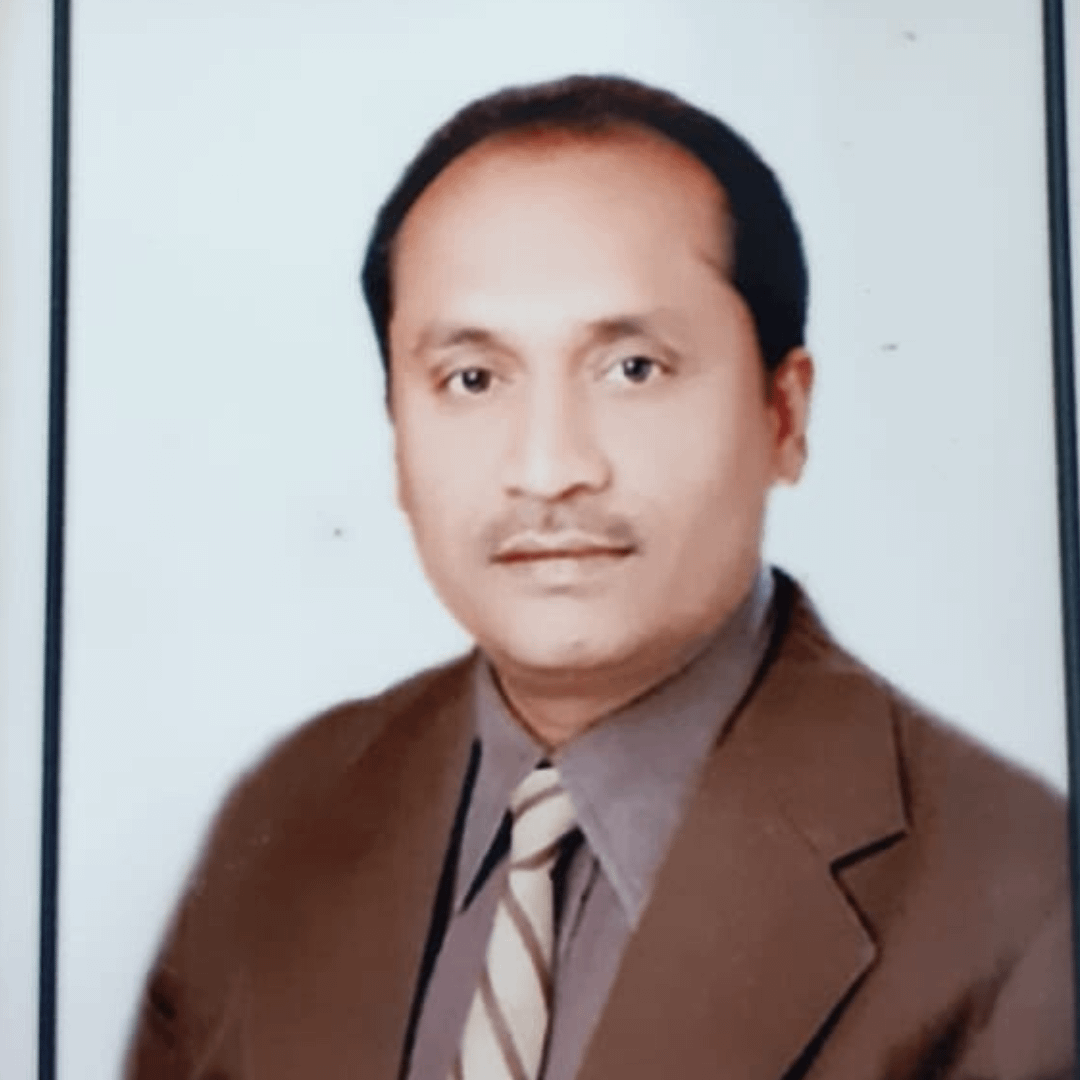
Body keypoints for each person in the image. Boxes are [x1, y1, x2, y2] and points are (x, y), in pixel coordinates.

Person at [126, 74, 1075, 1080]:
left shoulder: (1021, 899)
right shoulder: (282, 817)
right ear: (398, 434)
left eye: (633, 369)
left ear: (784, 415)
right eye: (472, 379)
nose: (548, 469)